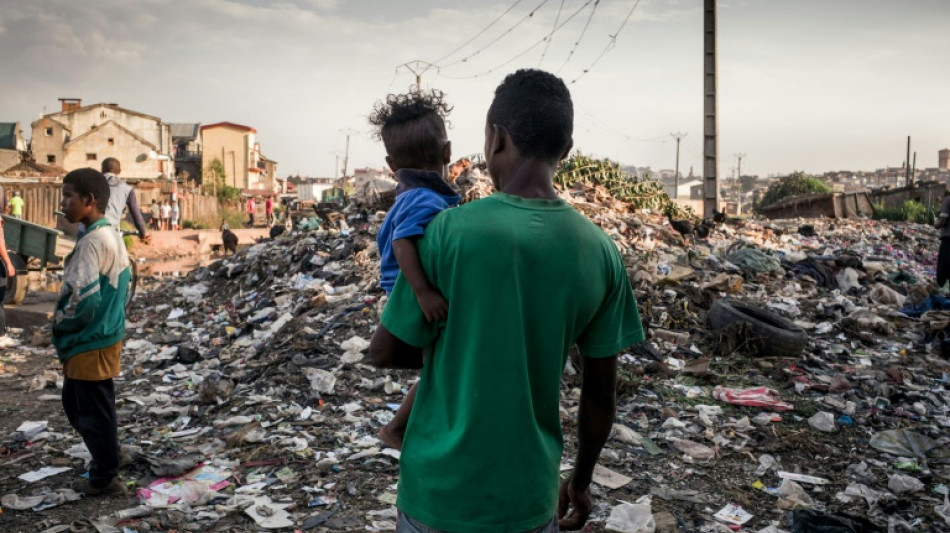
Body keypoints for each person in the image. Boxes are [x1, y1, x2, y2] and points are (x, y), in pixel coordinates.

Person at [369, 69, 645, 532]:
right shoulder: (599, 252)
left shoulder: (445, 232)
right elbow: (600, 394)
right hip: (529, 499)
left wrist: (463, 351)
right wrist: (580, 481)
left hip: (437, 497)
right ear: (567, 151)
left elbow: (384, 351)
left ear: (496, 140)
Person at [369, 89, 461, 450]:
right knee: (440, 367)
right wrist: (423, 293)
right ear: (448, 152)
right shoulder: (425, 197)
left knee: (438, 368)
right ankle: (396, 428)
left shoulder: (410, 195)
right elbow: (402, 243)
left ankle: (406, 427)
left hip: (405, 289)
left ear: (391, 165)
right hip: (409, 292)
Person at [54, 168, 132, 496]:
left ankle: (105, 477)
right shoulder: (110, 234)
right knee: (80, 403)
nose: (63, 201)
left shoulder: (92, 243)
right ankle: (110, 454)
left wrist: (61, 323)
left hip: (89, 341)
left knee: (92, 411)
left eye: (69, 195)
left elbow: (84, 301)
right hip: (103, 336)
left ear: (89, 201)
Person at [101, 158, 148, 243]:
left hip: (87, 230)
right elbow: (137, 216)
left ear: (102, 170)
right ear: (119, 171)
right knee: (120, 254)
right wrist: (143, 234)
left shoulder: (91, 183)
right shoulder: (127, 188)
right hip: (110, 230)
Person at [935, 189, 950, 288]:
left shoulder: (948, 200)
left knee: (942, 273)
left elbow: (942, 222)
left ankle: (941, 292)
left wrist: (936, 225)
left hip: (948, 241)